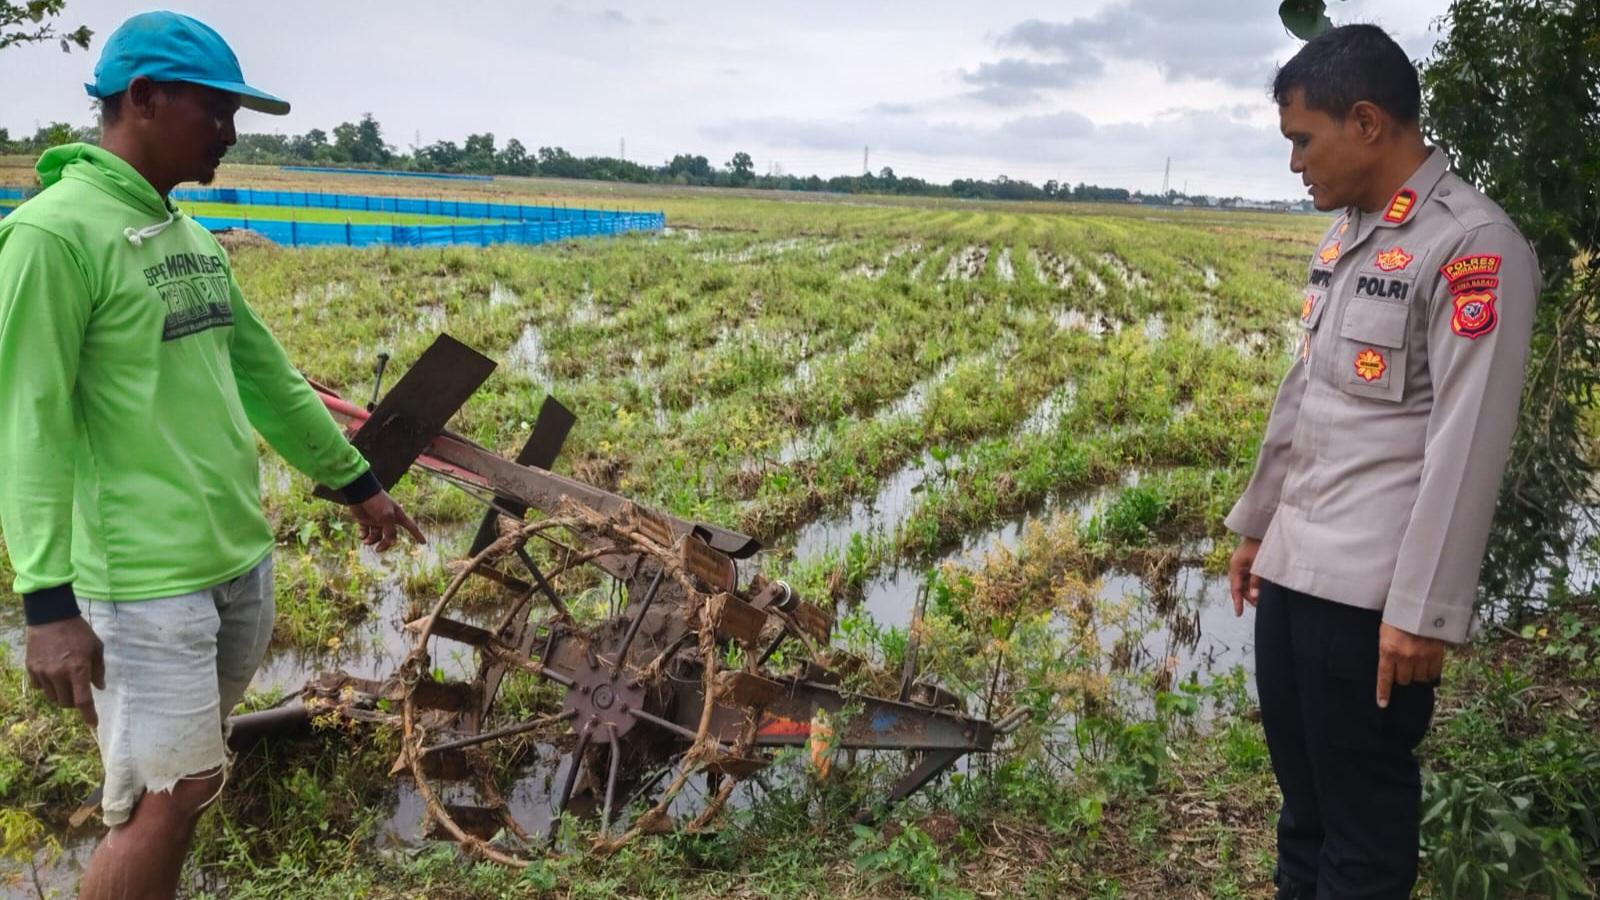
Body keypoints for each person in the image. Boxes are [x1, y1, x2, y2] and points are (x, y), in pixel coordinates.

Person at [0, 12, 424, 898]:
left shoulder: (187, 238)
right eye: (216, 111)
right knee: (172, 788)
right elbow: (26, 421)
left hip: (234, 560)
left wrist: (356, 482)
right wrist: (45, 601)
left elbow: (266, 376)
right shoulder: (53, 237)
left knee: (190, 783)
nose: (230, 133)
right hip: (143, 580)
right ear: (143, 99)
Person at [1225, 23, 1538, 900]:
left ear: (1366, 122)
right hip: (1296, 572)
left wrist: (1423, 612)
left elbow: (1468, 441)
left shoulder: (1472, 245)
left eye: (1302, 140)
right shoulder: (1353, 237)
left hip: (1370, 603)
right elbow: (1307, 395)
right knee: (1304, 815)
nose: (1295, 165)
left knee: (1361, 831)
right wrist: (1257, 526)